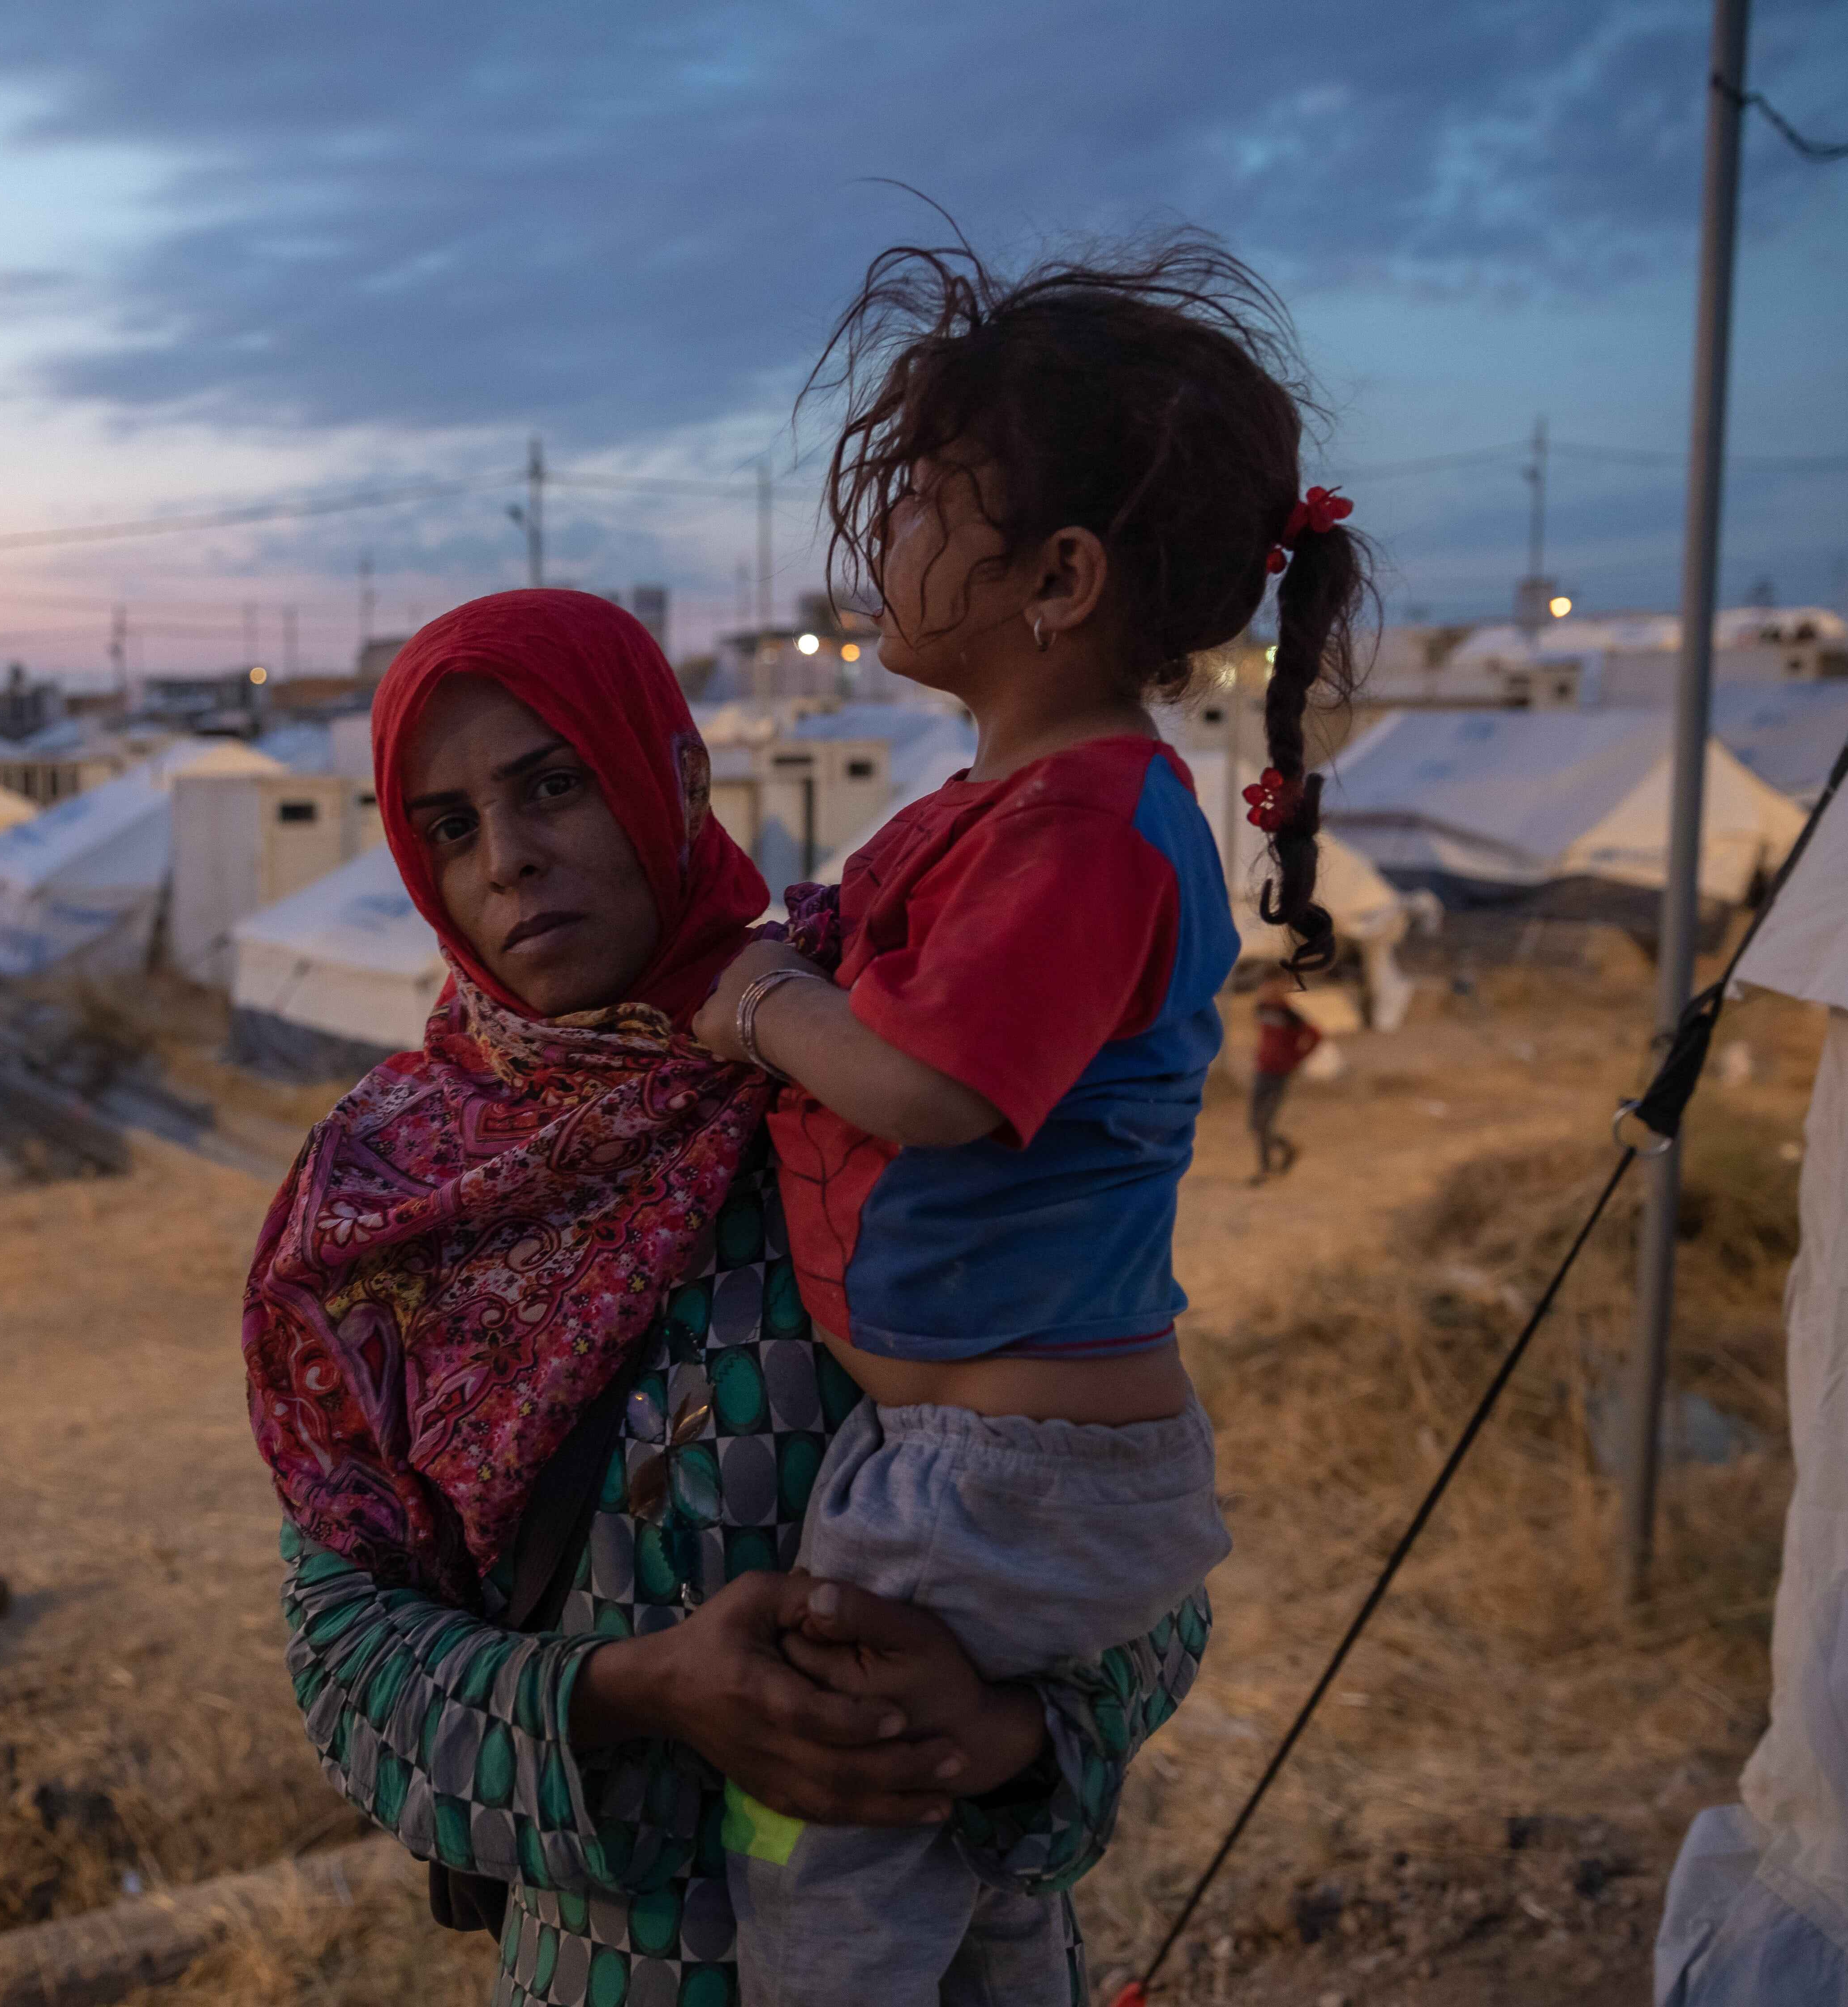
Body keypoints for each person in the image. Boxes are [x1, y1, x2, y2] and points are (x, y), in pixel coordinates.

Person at [241, 590, 1208, 2007]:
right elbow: (345, 1659)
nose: (507, 861)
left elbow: (1118, 1511)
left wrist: (993, 1732)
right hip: (602, 1968)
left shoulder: (863, 1076)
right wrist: (635, 1688)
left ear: (677, 779)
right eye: (448, 825)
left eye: (552, 783)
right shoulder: (394, 1202)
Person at [690, 235, 1371, 2004]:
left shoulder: (1083, 826)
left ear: (1058, 577)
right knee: (957, 1875)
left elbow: (930, 1090)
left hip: (996, 1478)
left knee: (816, 1852)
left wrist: (766, 1002)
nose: (883, 532)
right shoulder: (1029, 806)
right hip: (980, 1461)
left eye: (921, 494)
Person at [1247, 965, 1321, 1184]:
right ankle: (1288, 1149)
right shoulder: (1261, 1008)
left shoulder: (1291, 1015)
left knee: (1264, 1123)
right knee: (1255, 1124)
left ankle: (1265, 1170)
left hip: (1280, 1074)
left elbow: (1316, 1036)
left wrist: (1296, 1059)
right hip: (1262, 1071)